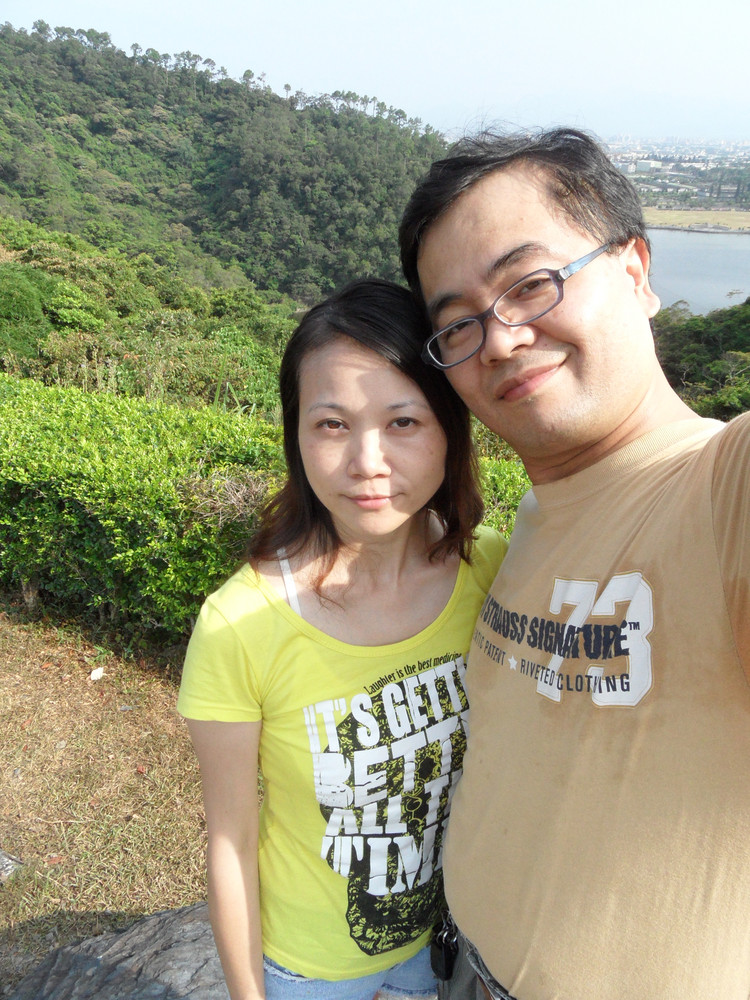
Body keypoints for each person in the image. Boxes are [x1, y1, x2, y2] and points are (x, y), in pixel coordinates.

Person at [398, 128, 750, 999]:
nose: (500, 339)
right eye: (458, 324)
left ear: (635, 271)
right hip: (459, 966)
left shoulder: (720, 488)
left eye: (530, 283)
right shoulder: (525, 524)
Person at [177, 278, 508, 1000]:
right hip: (309, 967)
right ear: (297, 436)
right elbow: (230, 842)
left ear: (449, 430)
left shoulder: (489, 568)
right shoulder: (241, 626)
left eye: (403, 421)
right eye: (332, 424)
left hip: (442, 936)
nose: (368, 462)